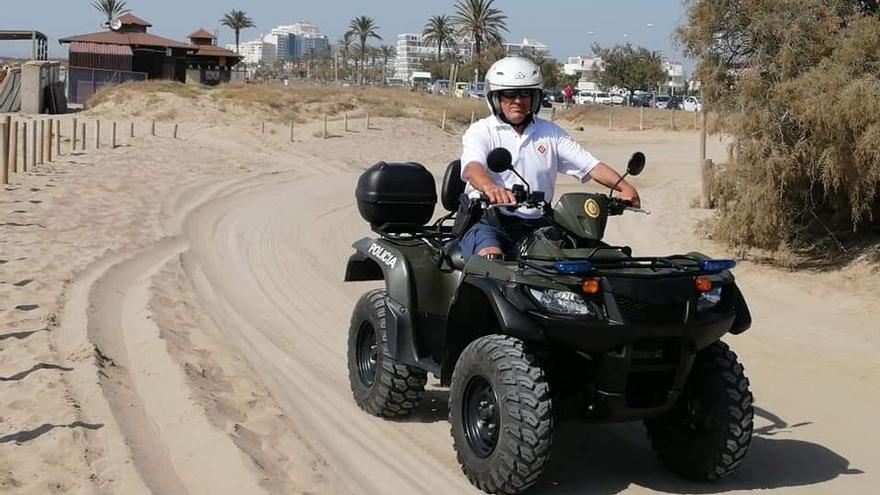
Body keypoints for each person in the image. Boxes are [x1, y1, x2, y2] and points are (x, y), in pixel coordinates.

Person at [459, 56, 641, 260]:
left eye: (525, 93)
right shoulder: (481, 131)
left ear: (534, 98)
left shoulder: (550, 132)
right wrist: (491, 188)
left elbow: (590, 165)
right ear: (495, 97)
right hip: (489, 222)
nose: (518, 100)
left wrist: (624, 187)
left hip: (537, 224)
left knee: (590, 259)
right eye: (509, 93)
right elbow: (472, 169)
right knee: (491, 260)